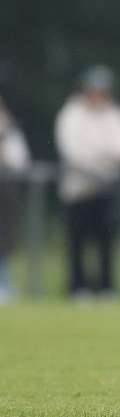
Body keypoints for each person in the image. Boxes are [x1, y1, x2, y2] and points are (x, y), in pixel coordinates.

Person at [55, 66, 120, 298]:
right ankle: (78, 288)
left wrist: (98, 157)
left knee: (106, 243)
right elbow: (74, 152)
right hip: (78, 190)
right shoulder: (71, 114)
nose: (97, 94)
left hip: (107, 189)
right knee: (77, 243)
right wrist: (103, 157)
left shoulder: (116, 114)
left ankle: (106, 288)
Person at [0, 94, 31, 304]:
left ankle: (5, 284)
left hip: (4, 195)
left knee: (3, 241)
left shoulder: (9, 133)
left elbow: (21, 162)